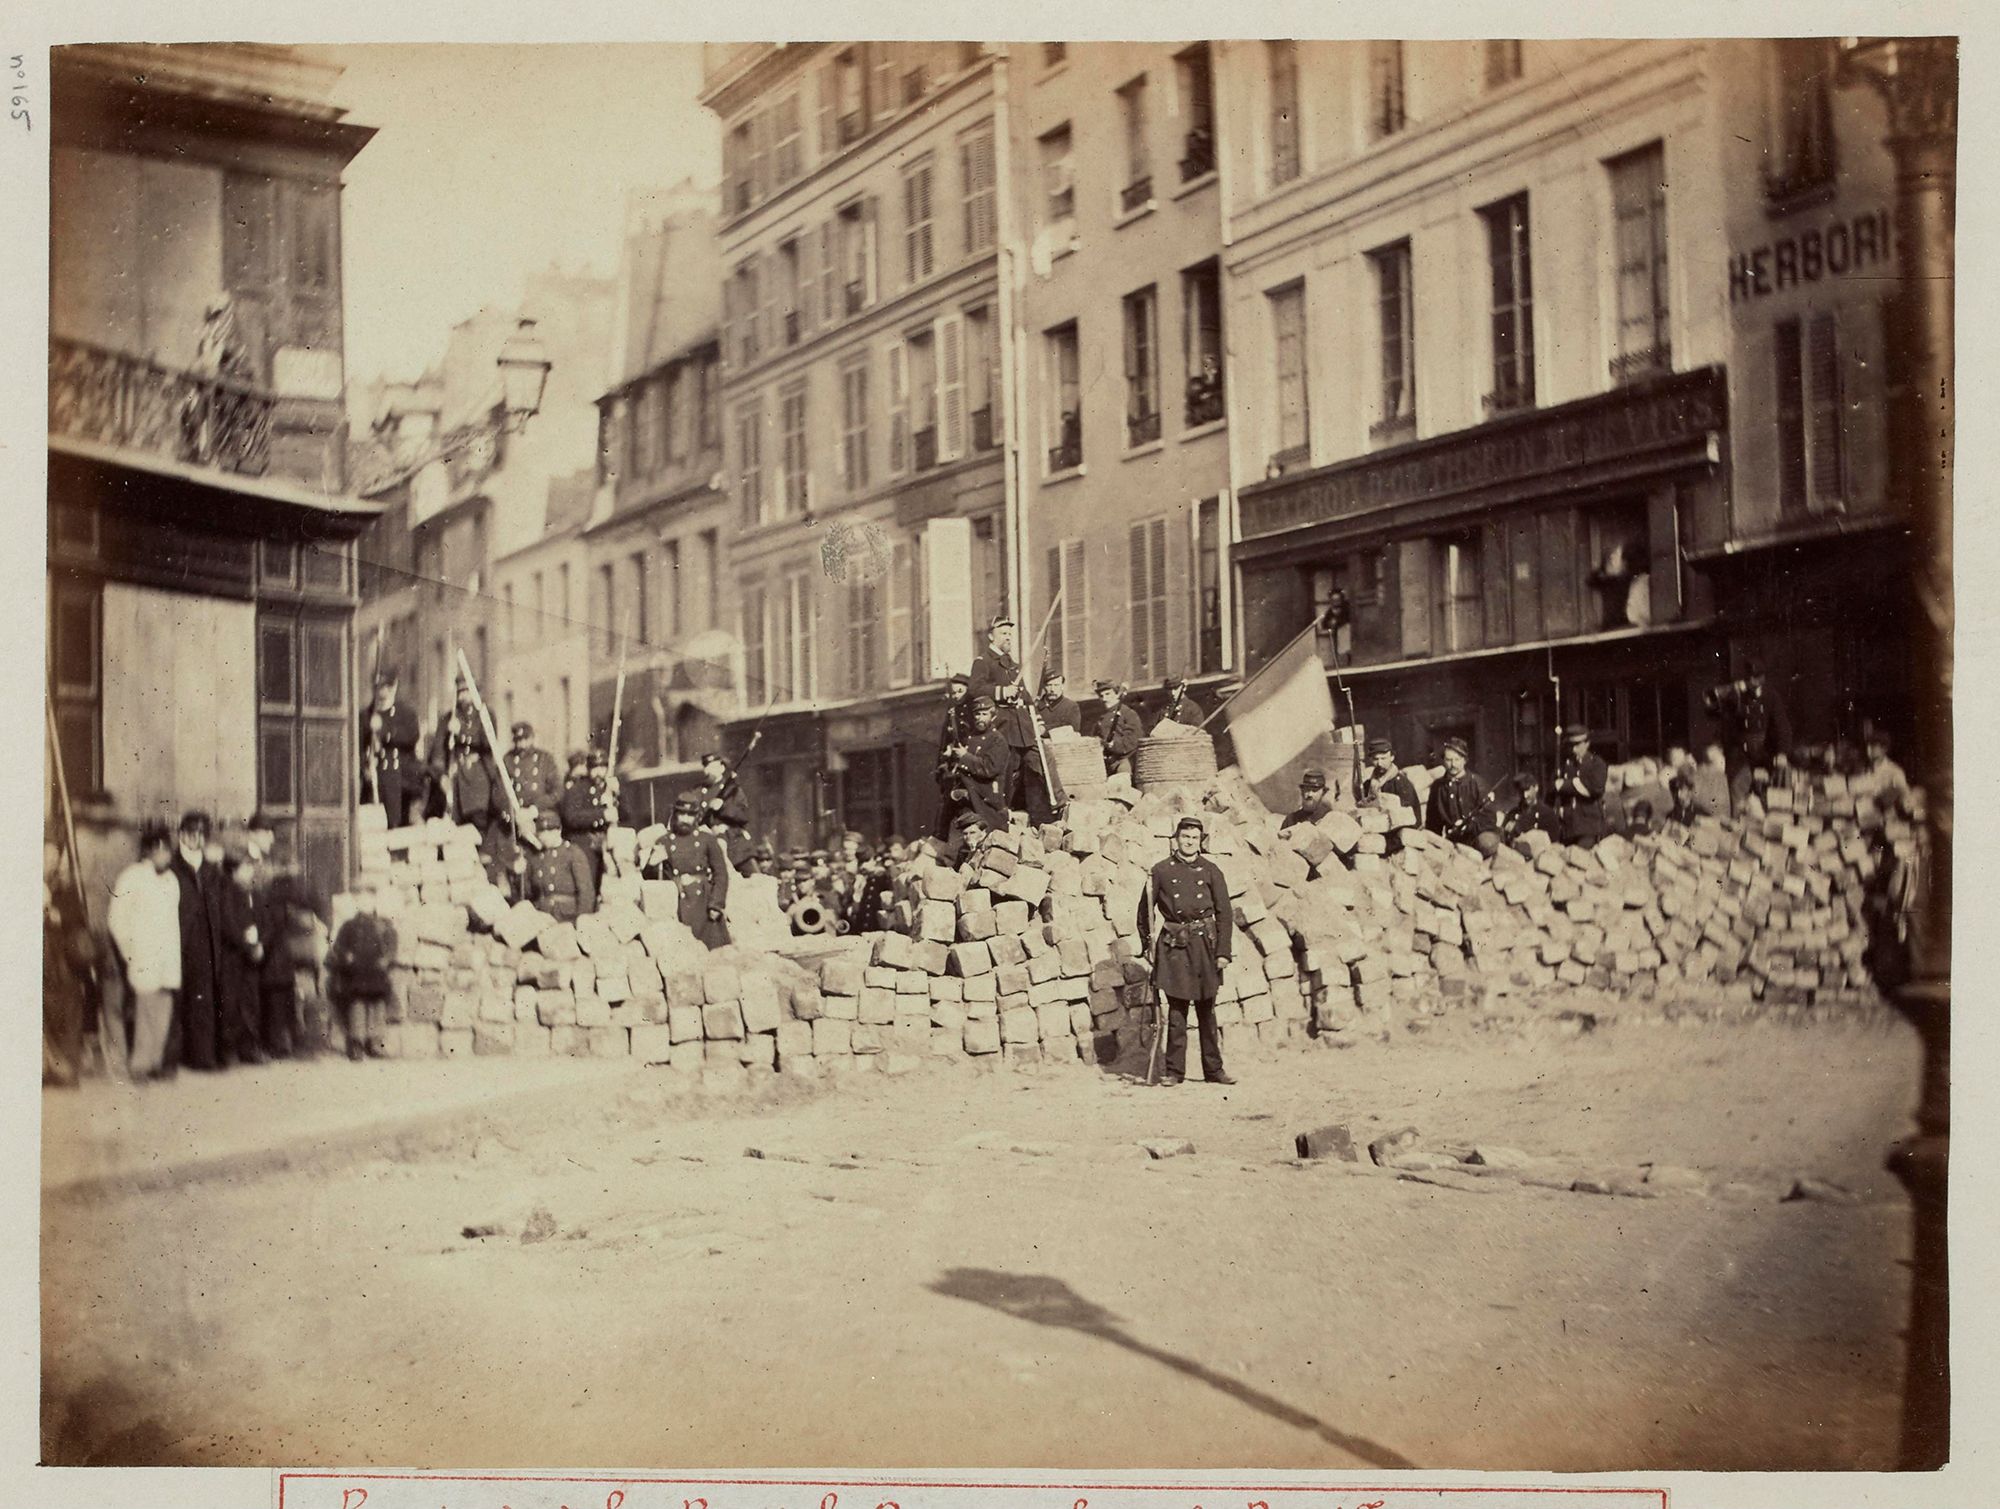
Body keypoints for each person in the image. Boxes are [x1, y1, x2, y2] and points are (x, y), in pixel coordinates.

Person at [1138, 816, 1236, 1087]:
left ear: (1200, 841)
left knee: (1207, 1008)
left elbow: (1224, 913)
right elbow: (1144, 912)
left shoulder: (1211, 870)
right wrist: (1148, 946)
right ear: (1176, 839)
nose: (1189, 842)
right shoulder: (1160, 871)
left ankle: (1214, 1070)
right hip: (1174, 946)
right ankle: (1174, 1071)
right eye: (1185, 837)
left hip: (1205, 944)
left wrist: (1223, 952)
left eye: (1194, 837)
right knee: (1177, 1010)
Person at [106, 820, 181, 1080]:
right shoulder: (132, 876)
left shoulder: (171, 880)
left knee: (163, 1011)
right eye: (159, 849)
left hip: (167, 957)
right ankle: (140, 1064)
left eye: (167, 849)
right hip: (143, 955)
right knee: (144, 1011)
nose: (164, 854)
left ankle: (156, 1062)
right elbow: (117, 919)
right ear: (148, 850)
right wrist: (130, 951)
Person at [968, 615, 1054, 823]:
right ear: (991, 636)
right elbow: (975, 689)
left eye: (1009, 634)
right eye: (1003, 633)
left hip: (1022, 726)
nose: (1008, 637)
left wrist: (1039, 723)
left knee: (1035, 767)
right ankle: (1002, 815)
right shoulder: (983, 662)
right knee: (1006, 773)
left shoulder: (1013, 665)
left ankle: (1042, 816)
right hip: (1003, 725)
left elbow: (1025, 695)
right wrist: (1001, 691)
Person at [170, 811, 228, 1071]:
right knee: (180, 997)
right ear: (181, 834)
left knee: (204, 999)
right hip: (179, 940)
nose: (196, 839)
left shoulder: (212, 870)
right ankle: (181, 1054)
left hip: (207, 941)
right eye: (191, 833)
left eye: (202, 834)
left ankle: (204, 1055)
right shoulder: (172, 867)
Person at [42, 841, 92, 1088]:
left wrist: (57, 916)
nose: (49, 862)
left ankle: (67, 1071)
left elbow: (79, 919)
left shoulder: (64, 889)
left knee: (69, 1014)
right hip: (43, 963)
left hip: (65, 964)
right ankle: (47, 1070)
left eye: (54, 858)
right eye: (45, 857)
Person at [326, 899, 398, 1061]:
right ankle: (357, 1045)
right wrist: (347, 957)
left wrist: (387, 959)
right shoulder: (349, 925)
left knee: (377, 1006)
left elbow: (392, 941)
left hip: (377, 972)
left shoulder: (382, 924)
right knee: (357, 1006)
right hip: (356, 972)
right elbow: (338, 946)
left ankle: (375, 1043)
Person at [659, 795, 732, 948]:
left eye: (690, 815)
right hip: (677, 902)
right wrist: (654, 862)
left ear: (697, 817)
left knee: (714, 954)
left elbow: (721, 873)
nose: (685, 819)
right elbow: (655, 877)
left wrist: (716, 904)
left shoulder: (708, 840)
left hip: (704, 905)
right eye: (682, 814)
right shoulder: (664, 841)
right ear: (675, 814)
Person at [216, 852, 268, 1066]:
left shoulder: (245, 891)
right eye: (246, 868)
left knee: (249, 1002)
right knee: (231, 1003)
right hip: (232, 957)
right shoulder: (228, 892)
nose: (251, 872)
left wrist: (256, 944)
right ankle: (229, 1050)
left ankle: (248, 1047)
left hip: (246, 955)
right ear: (234, 871)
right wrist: (248, 946)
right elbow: (229, 926)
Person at [429, 677, 497, 836]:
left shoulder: (485, 715)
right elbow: (438, 751)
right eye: (460, 692)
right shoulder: (448, 718)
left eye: (467, 691)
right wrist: (441, 776)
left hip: (478, 777)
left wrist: (462, 733)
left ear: (476, 692)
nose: (463, 696)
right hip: (456, 777)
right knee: (455, 826)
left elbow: (489, 743)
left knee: (479, 823)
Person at [255, 870, 311, 1059]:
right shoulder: (291, 909)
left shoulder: (271, 907)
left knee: (275, 1007)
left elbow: (268, 934)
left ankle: (278, 1044)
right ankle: (284, 1042)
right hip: (284, 965)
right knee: (283, 1006)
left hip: (272, 965)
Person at [360, 668, 423, 827]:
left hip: (402, 781)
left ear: (394, 687)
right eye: (378, 688)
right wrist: (365, 766)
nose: (382, 693)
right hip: (377, 780)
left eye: (386, 687)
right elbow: (360, 748)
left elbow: (411, 736)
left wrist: (384, 731)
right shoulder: (366, 716)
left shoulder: (406, 714)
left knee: (400, 828)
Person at [951, 696, 1013, 834]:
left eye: (984, 714)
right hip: (969, 799)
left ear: (993, 716)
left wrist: (965, 756)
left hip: (987, 801)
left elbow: (989, 768)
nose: (980, 718)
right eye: (977, 714)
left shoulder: (997, 740)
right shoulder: (970, 738)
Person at [1427, 738, 1499, 855]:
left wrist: (1468, 826)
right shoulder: (1438, 787)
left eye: (1457, 759)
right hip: (1454, 839)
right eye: (1449, 760)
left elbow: (1489, 819)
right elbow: (1433, 822)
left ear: (1465, 760)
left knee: (1487, 843)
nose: (1453, 764)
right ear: (1443, 761)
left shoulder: (1477, 783)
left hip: (1477, 836)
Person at [525, 807, 596, 922]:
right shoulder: (536, 857)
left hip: (567, 917)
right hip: (542, 915)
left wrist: (581, 921)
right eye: (541, 831)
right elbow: (528, 892)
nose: (545, 836)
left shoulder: (572, 853)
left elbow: (586, 892)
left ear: (559, 830)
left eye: (550, 830)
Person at [559, 746, 618, 885]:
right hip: (585, 843)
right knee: (587, 883)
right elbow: (571, 817)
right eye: (594, 768)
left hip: (607, 843)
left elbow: (627, 815)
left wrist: (618, 794)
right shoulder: (578, 789)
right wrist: (602, 814)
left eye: (602, 768)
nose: (598, 772)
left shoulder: (610, 787)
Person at [1554, 724, 1609, 847]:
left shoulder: (1597, 764)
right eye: (1571, 745)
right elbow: (1555, 788)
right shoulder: (1566, 765)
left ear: (1587, 743)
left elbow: (1595, 789)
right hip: (1568, 825)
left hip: (1589, 825)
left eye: (1578, 745)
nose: (1574, 749)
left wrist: (1566, 784)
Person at [698, 751, 755, 871]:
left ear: (722, 768)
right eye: (705, 766)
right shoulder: (698, 792)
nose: (706, 771)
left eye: (712, 766)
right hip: (708, 843)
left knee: (756, 878)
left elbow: (744, 816)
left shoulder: (732, 789)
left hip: (734, 845)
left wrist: (723, 807)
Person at [503, 720, 562, 818]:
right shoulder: (507, 759)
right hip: (515, 814)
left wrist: (536, 808)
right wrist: (509, 811)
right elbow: (499, 791)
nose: (522, 744)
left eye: (526, 739)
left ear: (532, 738)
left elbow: (557, 791)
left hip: (540, 813)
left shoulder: (545, 759)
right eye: (518, 740)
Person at [1357, 737, 1420, 816]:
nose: (1379, 763)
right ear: (1370, 759)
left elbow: (1411, 814)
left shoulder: (1401, 783)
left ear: (1392, 758)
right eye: (1376, 759)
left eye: (1383, 758)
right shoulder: (1368, 785)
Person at [1096, 681, 1144, 777]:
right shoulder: (1102, 718)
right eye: (1101, 696)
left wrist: (1114, 745)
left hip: (1125, 760)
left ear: (1117, 694)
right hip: (1108, 762)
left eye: (1108, 694)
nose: (1104, 699)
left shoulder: (1128, 713)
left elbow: (1134, 739)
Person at [1496, 775, 1559, 843]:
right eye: (1521, 791)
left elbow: (1553, 843)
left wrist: (1518, 829)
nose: (1525, 795)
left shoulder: (1547, 814)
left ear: (1536, 788)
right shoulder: (1512, 814)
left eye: (1527, 790)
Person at [1280, 769, 1334, 834]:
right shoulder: (1291, 819)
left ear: (1323, 792)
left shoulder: (1330, 818)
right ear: (1302, 791)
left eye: (1314, 790)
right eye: (1307, 789)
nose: (1309, 794)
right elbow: (1280, 843)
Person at [1037, 669, 1083, 734]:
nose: (1052, 689)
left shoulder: (1071, 706)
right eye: (1049, 685)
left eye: (1056, 685)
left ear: (1062, 686)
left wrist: (1045, 729)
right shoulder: (1035, 706)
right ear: (1044, 687)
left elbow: (1073, 729)